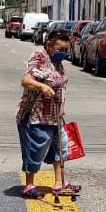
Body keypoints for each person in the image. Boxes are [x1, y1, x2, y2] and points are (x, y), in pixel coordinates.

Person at [16, 29, 80, 199]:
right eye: (60, 49)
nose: (63, 53)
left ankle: (60, 183)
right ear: (49, 45)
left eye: (66, 50)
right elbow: (26, 80)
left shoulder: (56, 60)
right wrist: (43, 87)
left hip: (56, 114)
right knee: (36, 149)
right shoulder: (40, 56)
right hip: (37, 115)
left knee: (60, 148)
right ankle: (29, 185)